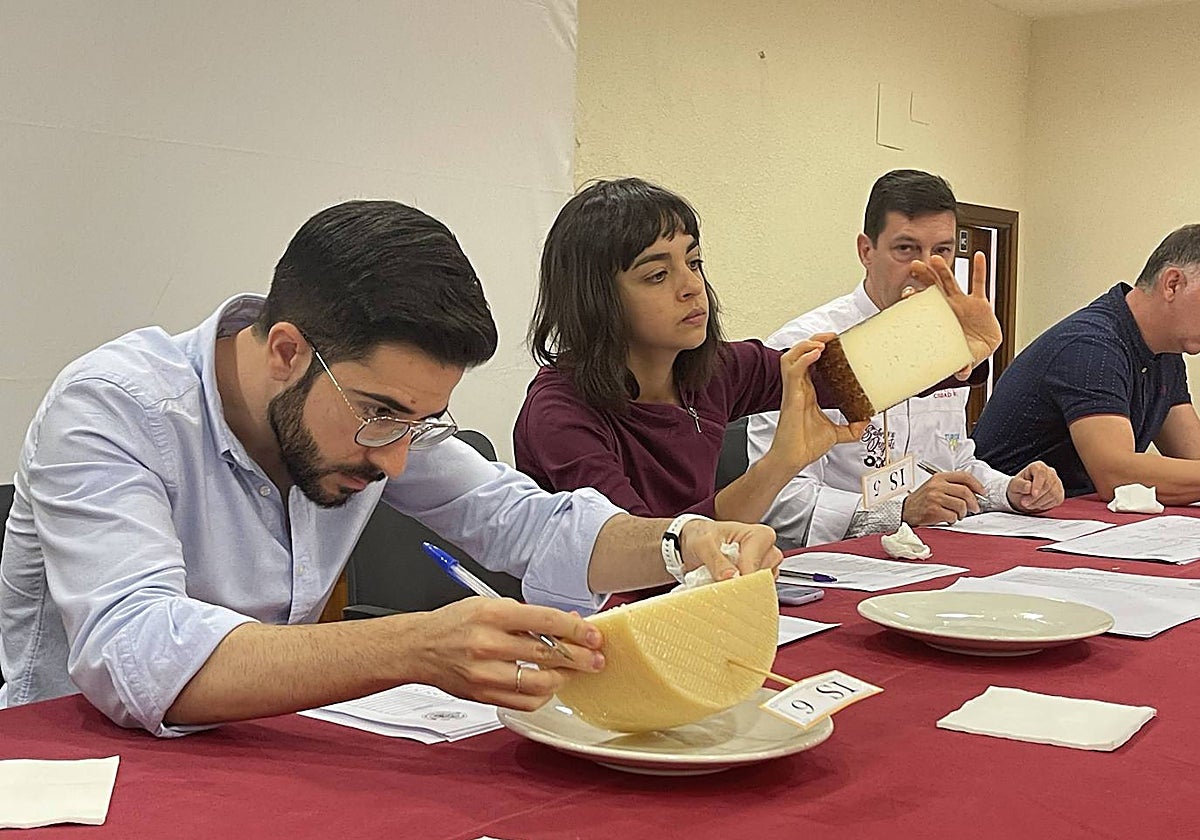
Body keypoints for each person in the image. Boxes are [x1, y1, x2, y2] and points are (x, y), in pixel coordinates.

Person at [0, 200, 784, 737]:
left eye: (422, 421)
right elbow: (136, 650)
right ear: (285, 351)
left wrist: (683, 541)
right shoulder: (112, 408)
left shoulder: (371, 408)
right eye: (381, 416)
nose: (397, 457)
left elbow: (527, 519)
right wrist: (413, 648)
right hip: (84, 776)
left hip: (264, 749)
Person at [514, 178, 863, 528]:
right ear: (597, 300)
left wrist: (918, 324)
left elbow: (863, 375)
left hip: (695, 578)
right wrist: (780, 463)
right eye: (658, 275)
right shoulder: (559, 414)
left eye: (693, 262)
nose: (693, 287)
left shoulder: (715, 369)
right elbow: (637, 558)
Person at [746, 170, 1062, 548]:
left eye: (942, 250)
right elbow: (779, 502)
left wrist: (1009, 490)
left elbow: (954, 463)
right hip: (838, 564)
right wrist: (898, 511)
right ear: (866, 251)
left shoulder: (953, 341)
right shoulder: (803, 347)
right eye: (906, 249)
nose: (925, 268)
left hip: (934, 550)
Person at [973, 224, 1200, 503]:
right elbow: (1117, 476)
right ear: (1173, 284)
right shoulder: (1091, 346)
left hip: (1067, 522)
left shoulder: (1165, 351)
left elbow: (1192, 455)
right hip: (998, 520)